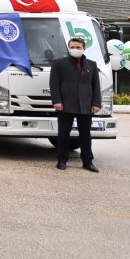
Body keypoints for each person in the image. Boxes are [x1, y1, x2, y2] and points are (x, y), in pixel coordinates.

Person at [49, 37, 101, 172]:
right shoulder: (59, 63)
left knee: (85, 135)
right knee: (63, 134)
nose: (75, 49)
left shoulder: (91, 64)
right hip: (65, 105)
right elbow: (54, 84)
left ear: (84, 48)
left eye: (78, 47)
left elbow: (96, 85)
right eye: (72, 47)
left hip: (86, 105)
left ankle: (88, 161)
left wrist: (96, 103)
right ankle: (62, 160)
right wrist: (57, 101)